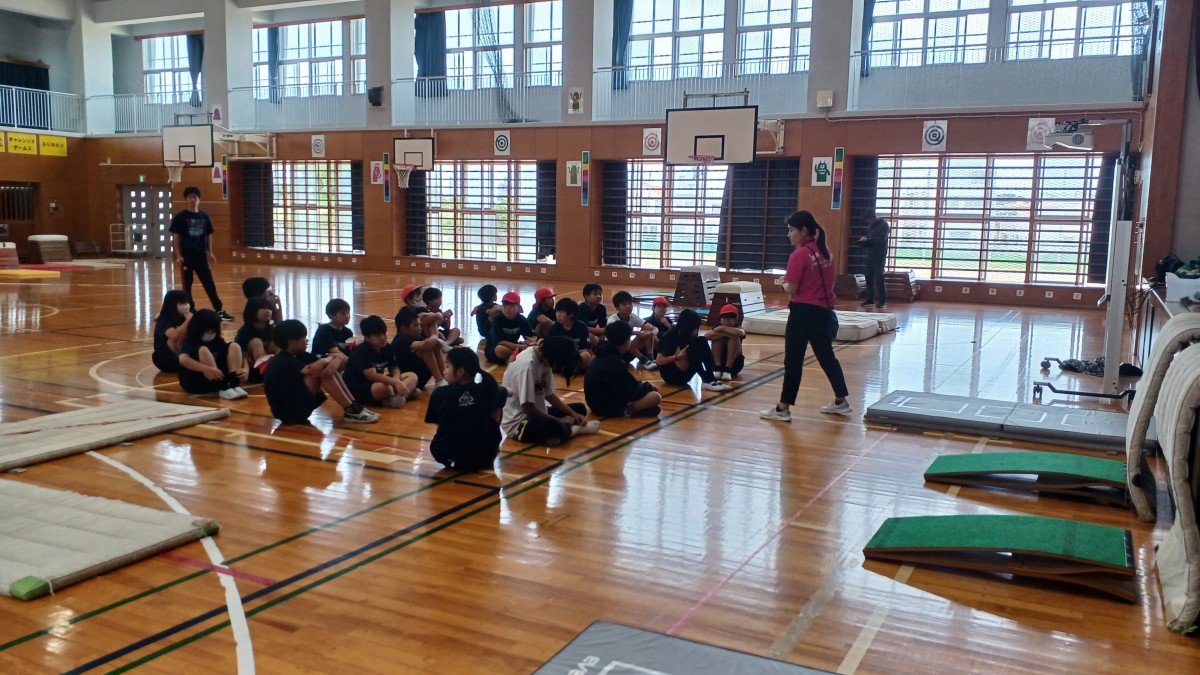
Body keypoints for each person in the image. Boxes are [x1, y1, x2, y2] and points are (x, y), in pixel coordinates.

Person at [761, 210, 852, 422]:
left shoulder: (800, 255)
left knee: (793, 361)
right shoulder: (825, 252)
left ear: (803, 231)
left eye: (791, 230)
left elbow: (792, 288)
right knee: (827, 357)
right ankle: (841, 401)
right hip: (823, 312)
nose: (788, 235)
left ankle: (782, 408)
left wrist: (783, 283)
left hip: (802, 314)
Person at [264, 319, 381, 424]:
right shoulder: (282, 361)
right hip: (288, 412)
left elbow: (333, 365)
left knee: (325, 369)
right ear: (291, 342)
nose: (307, 340)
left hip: (297, 404)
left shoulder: (300, 355)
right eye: (303, 338)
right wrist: (333, 358)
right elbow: (325, 372)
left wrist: (332, 358)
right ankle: (351, 410)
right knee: (321, 372)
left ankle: (354, 406)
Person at [501, 336, 601, 444]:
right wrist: (558, 420)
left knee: (579, 409)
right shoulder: (527, 367)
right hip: (519, 422)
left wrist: (573, 413)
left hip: (538, 411)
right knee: (556, 427)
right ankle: (573, 430)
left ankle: (558, 433)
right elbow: (527, 407)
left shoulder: (544, 359)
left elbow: (549, 394)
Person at [425, 347, 509, 471]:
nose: (444, 371)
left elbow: (439, 423)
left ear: (460, 371)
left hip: (447, 455)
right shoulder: (489, 390)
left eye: (447, 366)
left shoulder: (439, 393)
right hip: (483, 456)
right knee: (497, 403)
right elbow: (503, 392)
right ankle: (490, 443)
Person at [170, 187, 233, 320]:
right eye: (190, 197)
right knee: (187, 285)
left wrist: (209, 252)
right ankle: (191, 310)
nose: (192, 200)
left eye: (195, 197)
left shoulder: (204, 216)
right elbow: (176, 237)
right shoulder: (180, 217)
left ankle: (218, 309)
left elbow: (208, 235)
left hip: (200, 256)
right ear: (186, 199)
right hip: (187, 256)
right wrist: (179, 255)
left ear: (199, 199)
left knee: (209, 283)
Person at [585, 321, 662, 419]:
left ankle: (632, 409)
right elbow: (632, 391)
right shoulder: (615, 362)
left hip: (596, 402)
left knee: (648, 396)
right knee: (655, 397)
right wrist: (648, 387)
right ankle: (628, 410)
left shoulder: (604, 354)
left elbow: (625, 384)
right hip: (604, 405)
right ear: (626, 341)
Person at [343, 315, 419, 408]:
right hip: (359, 386)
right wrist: (396, 383)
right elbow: (372, 376)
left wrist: (396, 380)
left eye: (384, 333)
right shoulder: (361, 351)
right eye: (378, 335)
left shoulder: (386, 347)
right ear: (367, 337)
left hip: (378, 381)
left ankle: (398, 396)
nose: (383, 337)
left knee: (412, 376)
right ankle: (401, 394)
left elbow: (394, 368)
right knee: (385, 388)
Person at [177, 309, 247, 399]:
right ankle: (223, 387)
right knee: (203, 350)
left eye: (213, 331)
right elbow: (183, 360)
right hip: (196, 381)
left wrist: (246, 369)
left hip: (217, 376)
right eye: (207, 331)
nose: (210, 334)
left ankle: (234, 383)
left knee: (234, 346)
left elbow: (239, 355)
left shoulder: (217, 340)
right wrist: (205, 369)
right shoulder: (189, 342)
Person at [655, 309, 731, 392]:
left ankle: (710, 378)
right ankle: (705, 379)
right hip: (672, 376)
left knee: (701, 340)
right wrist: (676, 357)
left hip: (686, 375)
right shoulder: (671, 335)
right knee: (690, 343)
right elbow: (659, 361)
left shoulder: (688, 335)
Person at [392, 306, 447, 388]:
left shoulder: (415, 336)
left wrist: (434, 337)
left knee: (434, 346)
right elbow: (424, 345)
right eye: (416, 325)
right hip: (410, 378)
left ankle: (445, 378)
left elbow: (440, 345)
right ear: (403, 329)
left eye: (420, 325)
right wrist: (434, 337)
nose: (420, 328)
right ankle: (439, 380)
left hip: (420, 376)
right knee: (426, 348)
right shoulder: (399, 341)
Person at [608, 290, 658, 370]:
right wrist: (638, 333)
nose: (629, 306)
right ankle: (643, 359)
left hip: (629, 352)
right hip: (615, 354)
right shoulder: (612, 320)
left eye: (630, 303)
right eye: (624, 304)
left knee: (648, 329)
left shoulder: (632, 316)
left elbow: (652, 327)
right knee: (625, 337)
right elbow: (621, 333)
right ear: (617, 307)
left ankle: (650, 358)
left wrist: (652, 333)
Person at [234, 296, 276, 380]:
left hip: (269, 361)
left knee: (278, 342)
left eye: (269, 308)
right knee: (256, 342)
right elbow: (240, 351)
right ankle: (267, 370)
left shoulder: (271, 329)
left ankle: (279, 367)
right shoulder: (245, 331)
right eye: (263, 308)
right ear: (253, 310)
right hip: (253, 367)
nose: (268, 311)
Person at [487, 291, 535, 364]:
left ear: (518, 307)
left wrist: (530, 342)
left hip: (514, 347)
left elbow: (531, 335)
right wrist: (520, 347)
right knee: (500, 350)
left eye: (511, 306)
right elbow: (500, 341)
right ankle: (514, 357)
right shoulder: (497, 319)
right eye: (505, 306)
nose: (507, 309)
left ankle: (514, 358)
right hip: (495, 348)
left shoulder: (522, 320)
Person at [856, 210, 890, 309]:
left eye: (869, 219)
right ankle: (870, 299)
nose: (868, 222)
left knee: (879, 277)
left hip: (879, 256)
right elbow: (870, 241)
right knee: (868, 277)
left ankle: (883, 300)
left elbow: (881, 240)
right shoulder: (870, 227)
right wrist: (863, 241)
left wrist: (869, 239)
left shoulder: (884, 225)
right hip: (869, 255)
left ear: (873, 217)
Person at [548, 297, 594, 371]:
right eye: (557, 311)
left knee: (586, 356)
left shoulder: (582, 327)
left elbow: (586, 349)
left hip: (575, 356)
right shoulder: (555, 327)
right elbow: (550, 347)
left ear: (571, 314)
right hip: (560, 356)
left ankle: (568, 369)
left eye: (561, 312)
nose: (558, 315)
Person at [152, 290, 192, 373]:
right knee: (176, 338)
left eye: (186, 302)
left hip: (180, 355)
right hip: (163, 358)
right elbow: (174, 335)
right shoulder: (163, 320)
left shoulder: (185, 317)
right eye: (182, 303)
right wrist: (188, 321)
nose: (186, 306)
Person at [707, 304, 746, 382]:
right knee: (717, 339)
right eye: (724, 318)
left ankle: (728, 369)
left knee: (734, 338)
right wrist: (723, 333)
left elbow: (741, 333)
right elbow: (707, 336)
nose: (727, 321)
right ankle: (718, 369)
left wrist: (722, 328)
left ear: (736, 319)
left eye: (730, 318)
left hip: (735, 365)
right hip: (716, 363)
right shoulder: (717, 328)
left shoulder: (738, 328)